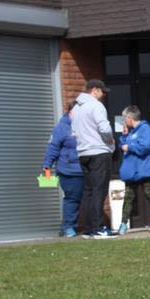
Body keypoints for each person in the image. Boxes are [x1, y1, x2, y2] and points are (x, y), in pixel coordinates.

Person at [71, 79, 116, 239]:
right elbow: (104, 127)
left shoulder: (76, 108)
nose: (103, 95)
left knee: (88, 191)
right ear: (95, 90)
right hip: (99, 152)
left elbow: (74, 132)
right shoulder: (96, 105)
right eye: (102, 92)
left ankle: (88, 228)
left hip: (83, 153)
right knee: (99, 190)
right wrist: (110, 141)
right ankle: (98, 228)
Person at [118, 105, 150, 234]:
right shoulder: (131, 132)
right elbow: (123, 145)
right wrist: (124, 136)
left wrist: (130, 147)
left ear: (130, 117)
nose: (124, 121)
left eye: (124, 118)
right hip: (131, 171)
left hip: (144, 169)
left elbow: (145, 146)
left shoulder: (145, 128)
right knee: (128, 198)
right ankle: (123, 224)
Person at [42, 101, 83, 238]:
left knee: (82, 199)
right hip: (68, 170)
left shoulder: (84, 125)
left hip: (83, 169)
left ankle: (68, 227)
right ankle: (68, 227)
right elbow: (52, 147)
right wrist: (47, 166)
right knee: (72, 198)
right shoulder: (61, 128)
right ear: (71, 112)